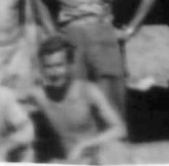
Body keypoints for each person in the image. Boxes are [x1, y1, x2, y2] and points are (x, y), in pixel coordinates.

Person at [26, 36, 129, 165]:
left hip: (96, 158)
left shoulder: (87, 91)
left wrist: (85, 145)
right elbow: (3, 99)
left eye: (59, 65)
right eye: (48, 67)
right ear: (42, 69)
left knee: (114, 148)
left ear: (70, 65)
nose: (54, 73)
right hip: (70, 161)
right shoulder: (39, 95)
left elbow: (120, 129)